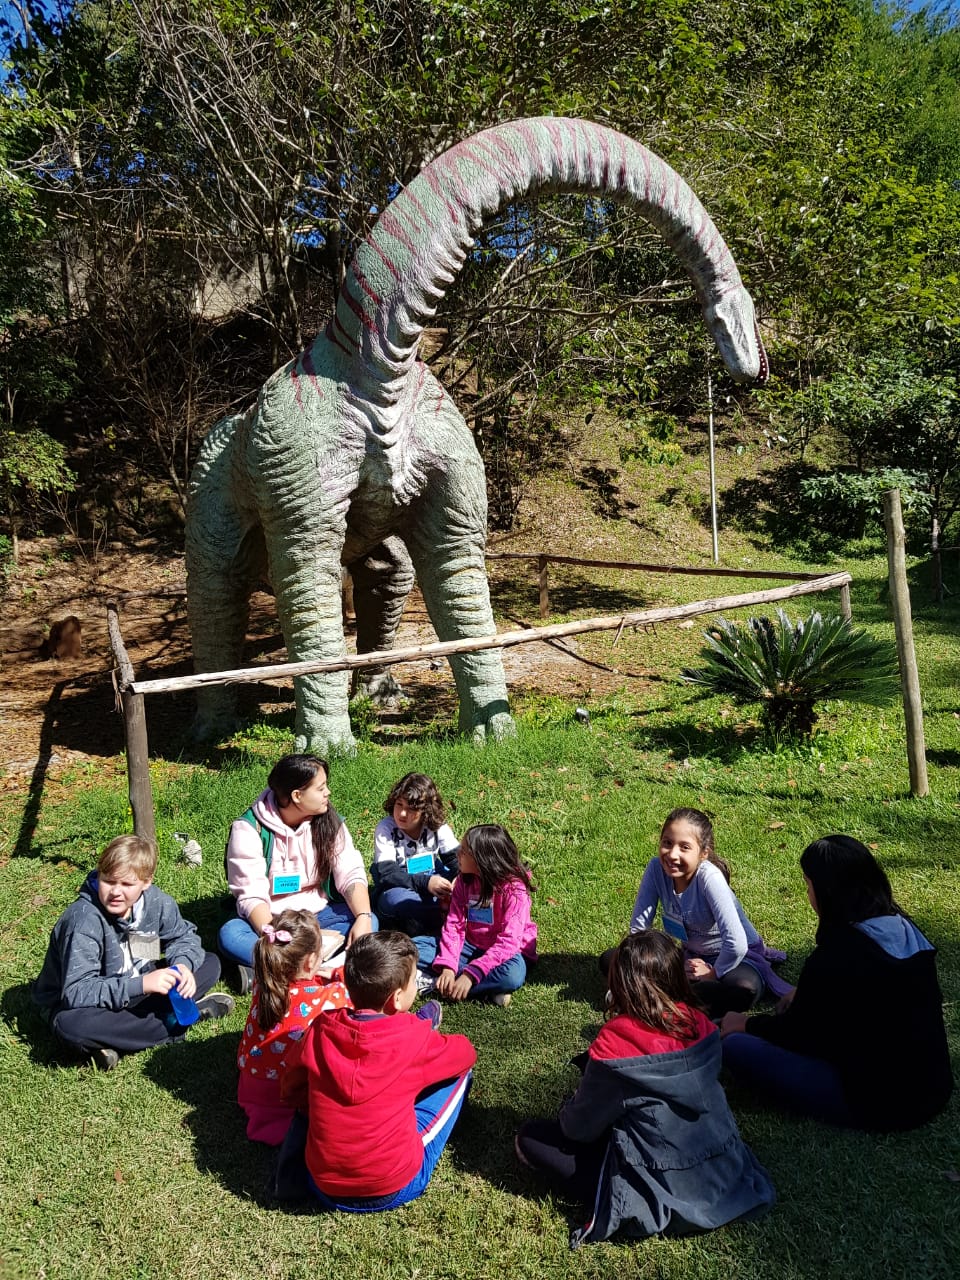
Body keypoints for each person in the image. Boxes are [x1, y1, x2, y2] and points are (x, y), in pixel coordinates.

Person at [516, 931, 775, 1247]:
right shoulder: (702, 1025)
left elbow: (576, 1129)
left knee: (531, 1138)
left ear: (620, 984)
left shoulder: (617, 1044)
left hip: (658, 1178)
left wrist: (575, 1103)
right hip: (720, 1167)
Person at [721, 835, 953, 1131]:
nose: (808, 894)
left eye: (808, 885)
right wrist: (806, 994)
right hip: (932, 1088)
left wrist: (746, 1024)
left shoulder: (835, 956)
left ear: (828, 893)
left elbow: (802, 1035)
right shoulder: (906, 928)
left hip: (876, 1102)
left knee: (737, 1046)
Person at [280, 931, 475, 1211]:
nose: (416, 986)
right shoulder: (411, 1037)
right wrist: (425, 1037)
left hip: (321, 1184)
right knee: (461, 1075)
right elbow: (465, 1053)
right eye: (414, 982)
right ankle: (424, 1035)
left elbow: (291, 1086)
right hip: (393, 1185)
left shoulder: (321, 1028)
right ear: (396, 998)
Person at [33, 835, 234, 1070]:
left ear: (146, 882)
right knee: (71, 1026)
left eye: (127, 885)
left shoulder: (156, 902)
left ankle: (120, 1039)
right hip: (85, 1004)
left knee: (210, 963)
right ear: (99, 874)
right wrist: (142, 985)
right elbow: (77, 992)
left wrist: (182, 966)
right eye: (108, 881)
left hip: (137, 977)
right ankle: (176, 1022)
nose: (115, 892)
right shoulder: (83, 922)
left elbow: (183, 937)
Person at [605, 807, 790, 1018]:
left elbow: (736, 943)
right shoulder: (656, 868)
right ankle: (675, 995)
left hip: (733, 958)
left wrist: (713, 973)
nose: (672, 854)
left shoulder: (710, 878)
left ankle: (657, 996)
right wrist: (664, 963)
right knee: (612, 959)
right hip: (689, 956)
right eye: (667, 843)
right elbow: (638, 930)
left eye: (684, 847)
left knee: (745, 987)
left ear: (703, 853)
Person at [220, 754, 377, 989]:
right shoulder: (249, 829)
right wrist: (277, 939)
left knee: (369, 919)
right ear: (297, 796)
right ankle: (331, 969)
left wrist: (363, 917)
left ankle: (277, 970)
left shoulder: (329, 821)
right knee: (231, 935)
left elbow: (350, 872)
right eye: (321, 788)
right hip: (273, 922)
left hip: (320, 915)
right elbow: (251, 895)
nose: (328, 793)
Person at [237, 909, 352, 1145]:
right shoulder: (328, 999)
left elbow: (298, 990)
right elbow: (353, 991)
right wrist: (337, 973)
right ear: (310, 961)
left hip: (251, 1088)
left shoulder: (263, 982)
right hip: (289, 1097)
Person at [416, 824, 537, 1007]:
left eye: (464, 851)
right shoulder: (463, 882)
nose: (458, 853)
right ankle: (486, 990)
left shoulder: (515, 891)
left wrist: (471, 974)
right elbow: (454, 925)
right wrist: (448, 966)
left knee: (512, 975)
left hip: (508, 954)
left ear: (483, 859)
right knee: (413, 948)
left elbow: (509, 942)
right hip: (471, 945)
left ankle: (436, 984)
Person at [371, 773, 459, 934]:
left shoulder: (436, 826)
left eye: (411, 809)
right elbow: (388, 874)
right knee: (403, 902)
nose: (402, 814)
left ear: (426, 810)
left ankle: (447, 914)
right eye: (399, 804)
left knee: (464, 889)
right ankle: (442, 919)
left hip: (433, 873)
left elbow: (455, 860)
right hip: (399, 884)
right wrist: (426, 883)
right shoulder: (386, 828)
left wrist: (457, 880)